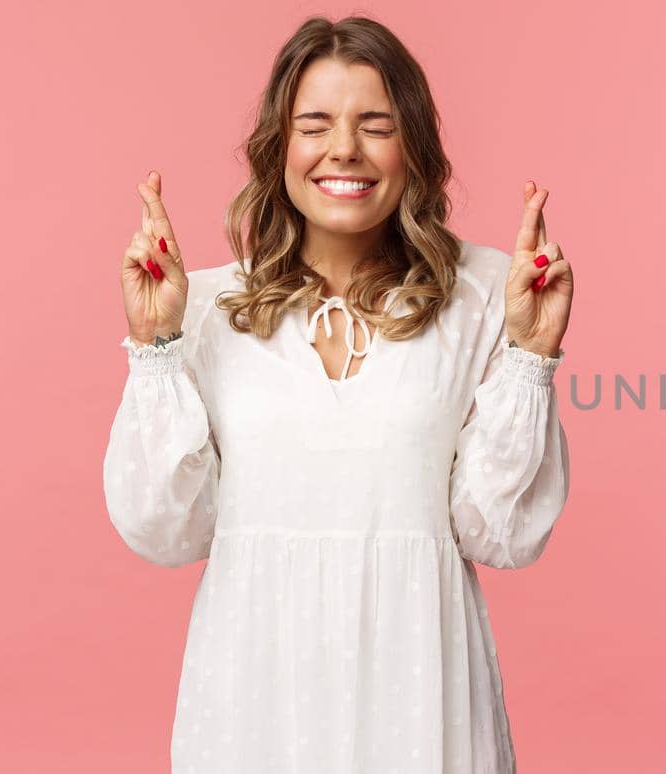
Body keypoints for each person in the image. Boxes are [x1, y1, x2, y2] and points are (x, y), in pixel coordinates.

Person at [102, 15, 574, 773]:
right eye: (315, 125)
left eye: (375, 125)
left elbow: (501, 535)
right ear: (278, 146)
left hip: (423, 696)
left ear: (411, 145)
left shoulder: (487, 294)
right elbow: (165, 530)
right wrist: (155, 346)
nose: (344, 150)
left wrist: (531, 353)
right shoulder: (204, 306)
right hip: (254, 700)